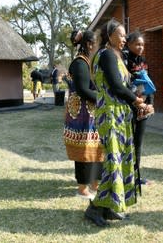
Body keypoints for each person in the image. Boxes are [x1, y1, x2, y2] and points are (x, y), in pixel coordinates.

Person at [84, 18, 146, 227]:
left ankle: (109, 207)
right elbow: (116, 87)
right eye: (121, 34)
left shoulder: (116, 55)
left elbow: (122, 86)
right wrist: (137, 101)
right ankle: (94, 209)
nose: (124, 38)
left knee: (118, 161)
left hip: (119, 113)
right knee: (113, 163)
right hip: (110, 114)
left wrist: (137, 96)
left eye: (125, 35)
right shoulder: (107, 54)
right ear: (110, 36)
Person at [63, 30, 103, 199]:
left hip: (92, 114)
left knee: (97, 149)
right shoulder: (80, 63)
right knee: (84, 151)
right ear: (89, 44)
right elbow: (83, 90)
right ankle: (82, 188)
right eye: (98, 44)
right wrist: (104, 98)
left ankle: (95, 183)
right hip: (81, 115)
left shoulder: (90, 62)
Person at [123, 31, 155, 187]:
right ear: (128, 44)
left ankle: (136, 176)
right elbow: (123, 84)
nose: (141, 47)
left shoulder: (143, 61)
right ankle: (123, 175)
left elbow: (148, 83)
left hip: (143, 107)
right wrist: (135, 100)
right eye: (137, 44)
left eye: (142, 44)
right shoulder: (123, 60)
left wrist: (149, 102)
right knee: (126, 142)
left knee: (138, 142)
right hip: (129, 105)